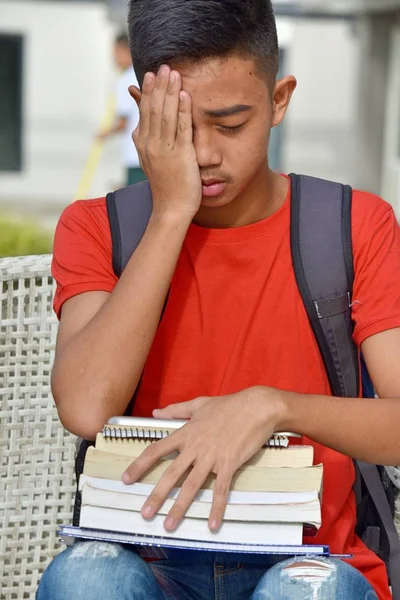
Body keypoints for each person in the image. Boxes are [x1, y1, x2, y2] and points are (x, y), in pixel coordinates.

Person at [37, 0, 400, 598]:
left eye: (230, 125)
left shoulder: (354, 224)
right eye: (180, 127)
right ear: (143, 109)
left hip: (305, 559)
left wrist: (274, 407)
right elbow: (84, 406)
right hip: (146, 560)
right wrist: (171, 211)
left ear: (279, 100)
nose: (204, 154)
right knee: (84, 577)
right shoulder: (97, 228)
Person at [98, 32, 146, 186]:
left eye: (115, 53)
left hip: (134, 156)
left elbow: (123, 122)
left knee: (137, 204)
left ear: (126, 52)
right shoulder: (143, 74)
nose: (114, 59)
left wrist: (105, 133)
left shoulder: (126, 79)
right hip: (148, 154)